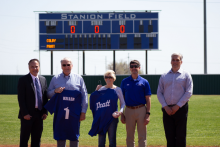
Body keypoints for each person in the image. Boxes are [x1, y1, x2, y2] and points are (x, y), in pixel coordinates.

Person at [47, 57, 88, 147]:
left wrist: (83, 112)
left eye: (68, 64)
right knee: (61, 135)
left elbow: (84, 95)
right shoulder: (55, 79)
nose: (66, 67)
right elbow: (48, 95)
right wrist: (55, 91)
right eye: (64, 65)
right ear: (61, 66)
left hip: (75, 113)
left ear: (72, 66)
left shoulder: (79, 78)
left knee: (74, 135)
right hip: (60, 113)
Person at [157, 53, 193, 147]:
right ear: (170, 62)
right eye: (173, 60)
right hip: (167, 110)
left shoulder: (186, 75)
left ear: (181, 62)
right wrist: (165, 106)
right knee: (169, 137)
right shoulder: (164, 76)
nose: (175, 62)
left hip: (181, 109)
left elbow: (189, 92)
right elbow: (159, 92)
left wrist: (177, 106)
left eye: (177, 60)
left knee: (181, 137)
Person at [90, 70, 125, 147]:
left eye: (110, 77)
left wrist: (120, 112)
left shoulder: (117, 89)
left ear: (114, 78)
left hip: (112, 118)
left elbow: (123, 103)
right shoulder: (101, 89)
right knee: (101, 142)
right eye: (106, 77)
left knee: (112, 141)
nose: (108, 79)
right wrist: (96, 91)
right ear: (104, 79)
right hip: (102, 118)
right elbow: (94, 101)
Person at [120, 60, 151, 147]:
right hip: (129, 110)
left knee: (142, 135)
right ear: (130, 68)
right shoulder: (124, 81)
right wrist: (122, 114)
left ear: (139, 68)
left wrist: (147, 114)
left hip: (141, 109)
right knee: (129, 136)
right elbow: (122, 99)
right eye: (132, 66)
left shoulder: (144, 82)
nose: (134, 68)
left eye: (136, 66)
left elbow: (148, 99)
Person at [17, 59, 48, 147]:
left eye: (36, 66)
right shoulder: (23, 80)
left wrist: (45, 112)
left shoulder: (43, 79)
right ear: (29, 67)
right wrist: (25, 113)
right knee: (24, 139)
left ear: (39, 67)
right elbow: (21, 98)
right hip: (27, 115)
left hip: (39, 114)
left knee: (37, 139)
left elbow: (44, 97)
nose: (34, 68)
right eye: (32, 67)